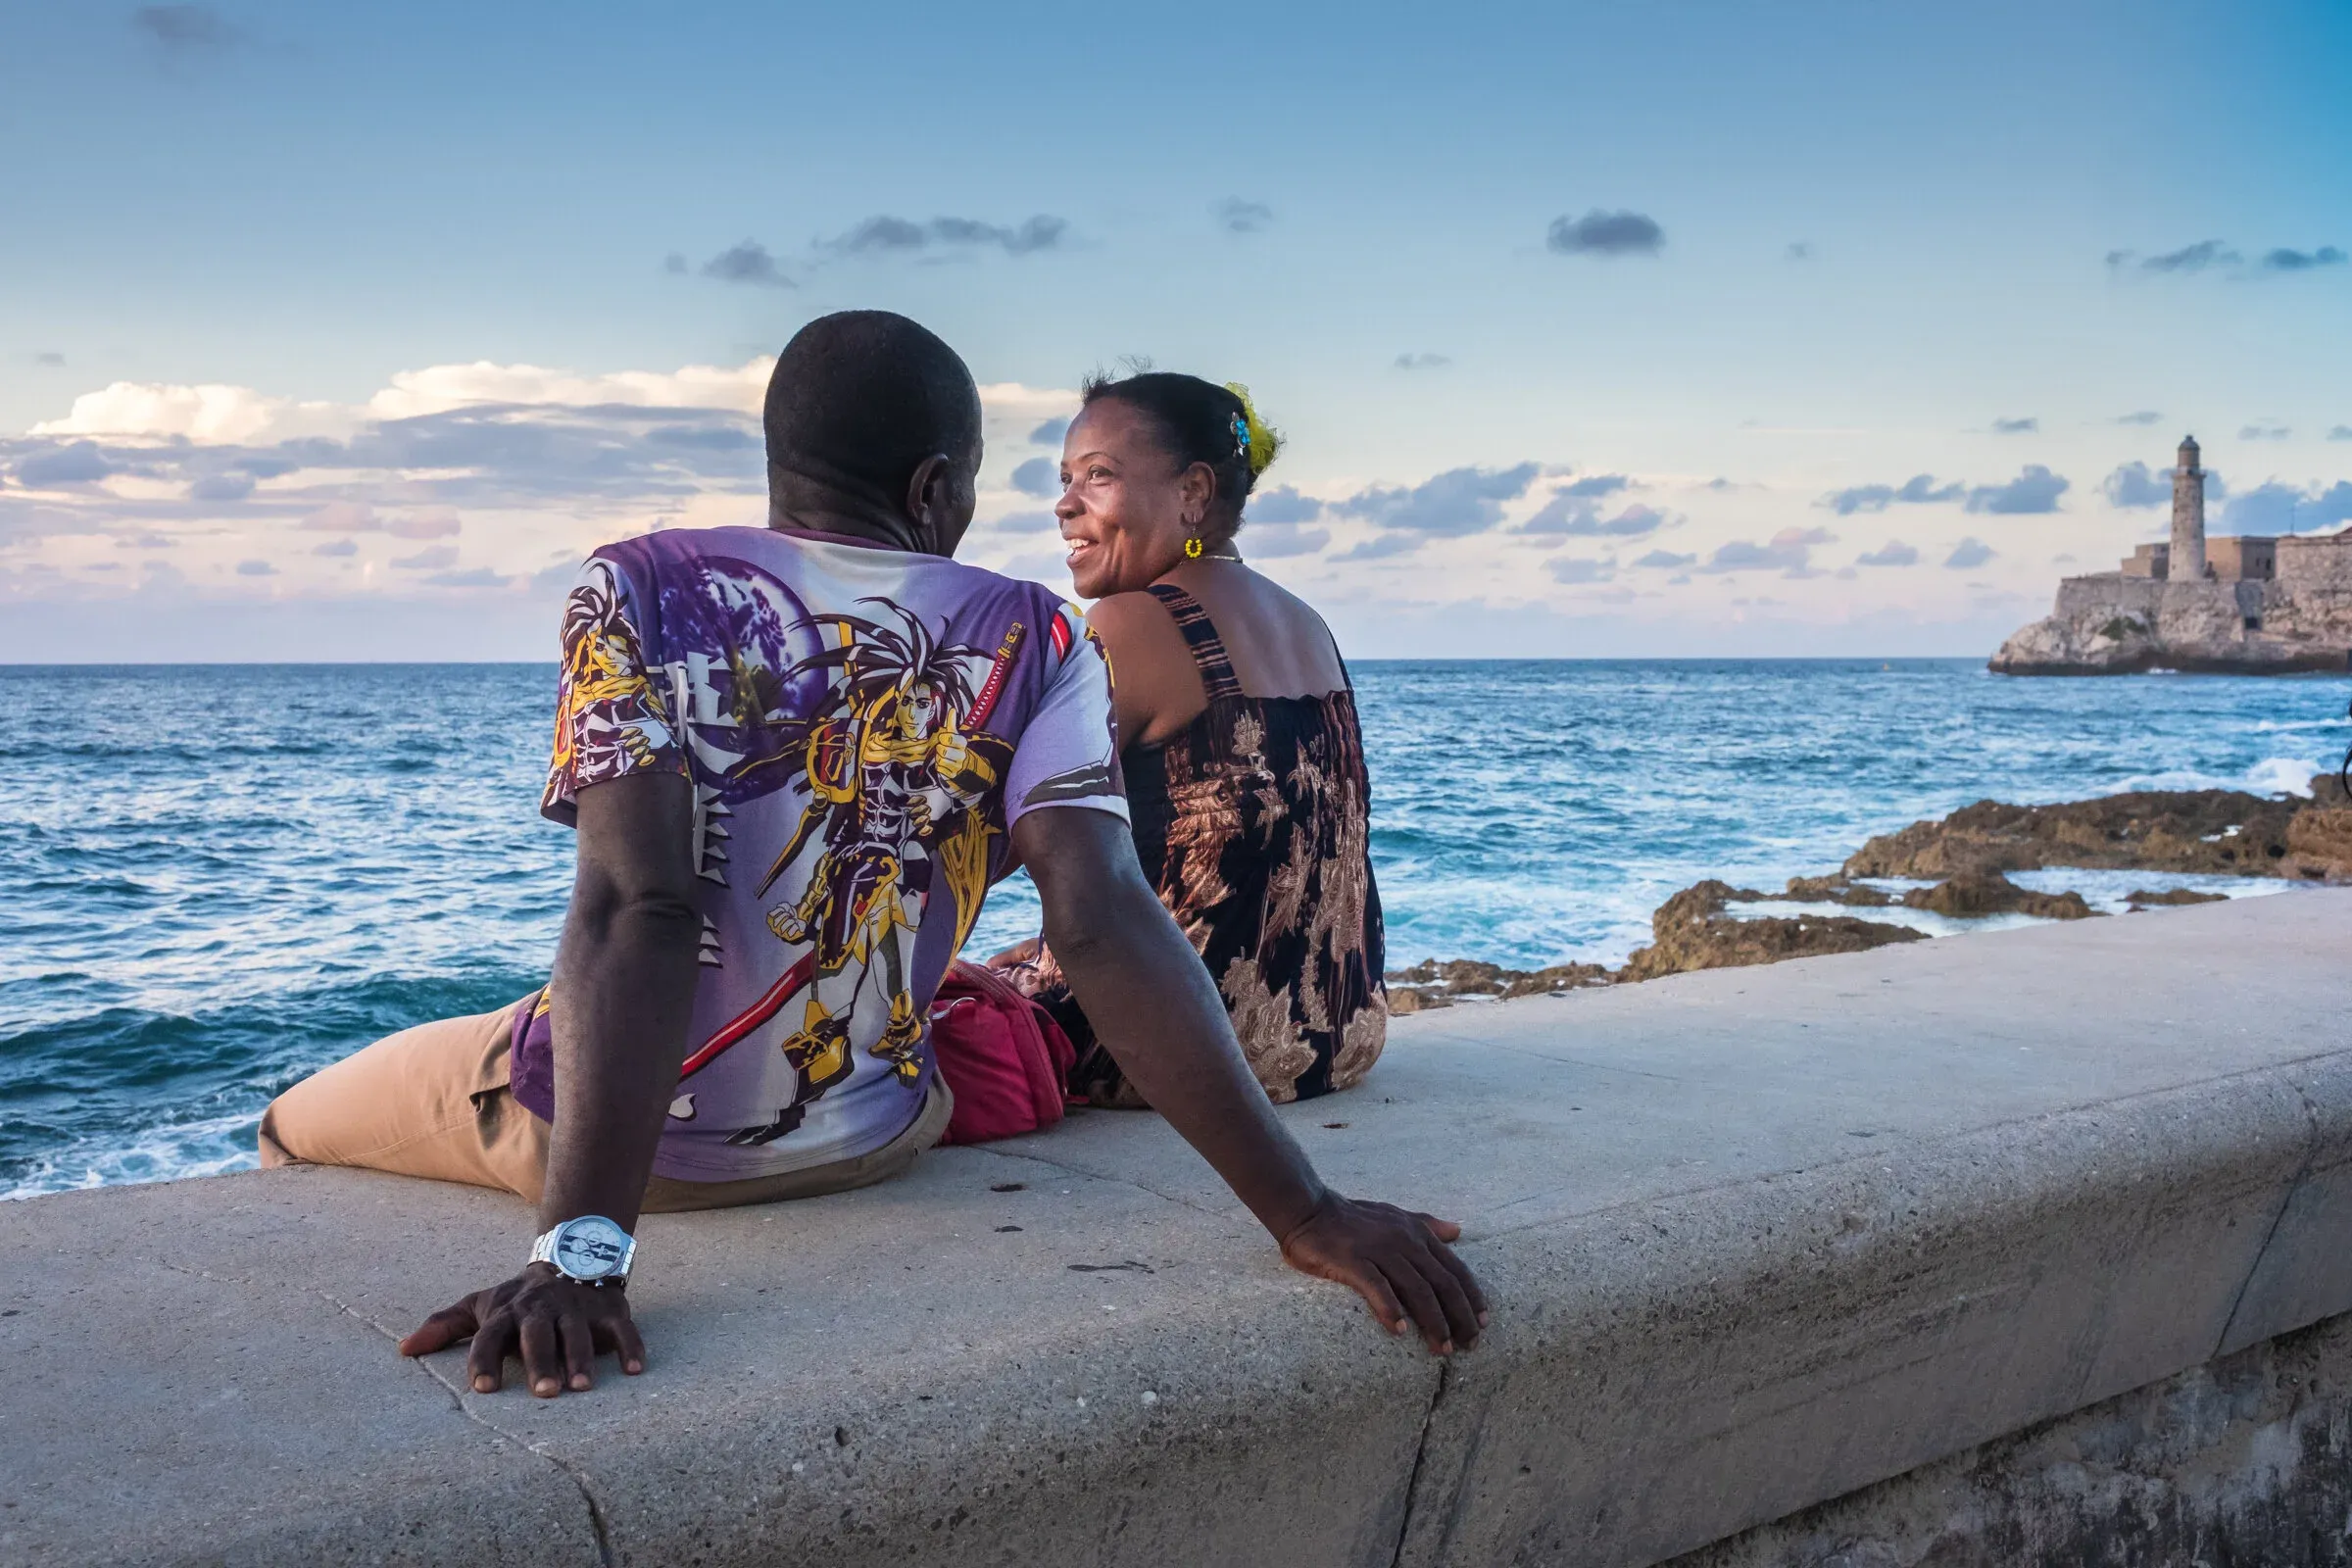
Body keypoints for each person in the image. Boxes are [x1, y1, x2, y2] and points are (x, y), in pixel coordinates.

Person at [256, 312, 1482, 1398]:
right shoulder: (1035, 630)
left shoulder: (639, 585)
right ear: (937, 484)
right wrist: (1305, 1212)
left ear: (782, 462)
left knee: (289, 1125)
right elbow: (1100, 916)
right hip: (877, 1128)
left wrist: (581, 1249)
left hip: (648, 1163)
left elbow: (639, 910)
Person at [996, 372, 1386, 1106]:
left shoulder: (1127, 623)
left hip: (1171, 1058)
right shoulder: (1308, 623)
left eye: (1099, 476)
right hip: (1336, 1035)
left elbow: (999, 840)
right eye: (1066, 479)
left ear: (1194, 494)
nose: (1065, 504)